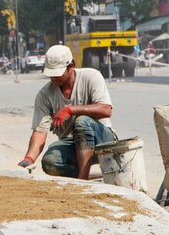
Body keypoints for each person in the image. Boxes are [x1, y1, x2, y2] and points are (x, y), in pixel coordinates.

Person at [17, 45, 117, 179]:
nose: (54, 78)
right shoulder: (45, 95)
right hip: (72, 144)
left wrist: (70, 109)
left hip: (102, 140)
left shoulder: (91, 76)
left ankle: (82, 180)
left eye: (57, 73)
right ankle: (87, 175)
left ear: (71, 66)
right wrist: (28, 158)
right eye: (51, 74)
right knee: (50, 162)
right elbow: (40, 131)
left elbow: (105, 109)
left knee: (82, 121)